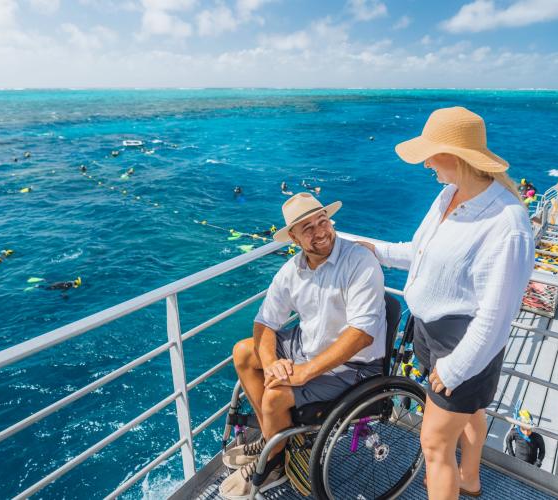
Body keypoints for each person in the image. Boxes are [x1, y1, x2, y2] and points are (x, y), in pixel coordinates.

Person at [358, 107, 533, 498]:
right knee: (470, 413)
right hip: (432, 335)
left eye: (430, 155)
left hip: (463, 347)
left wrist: (454, 369)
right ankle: (469, 478)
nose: (425, 163)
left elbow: (497, 316)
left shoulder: (507, 224)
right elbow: (421, 253)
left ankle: (455, 480)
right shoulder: (449, 194)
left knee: (435, 445)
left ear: (454, 157)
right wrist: (375, 249)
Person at [220, 193, 387, 499]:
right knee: (244, 352)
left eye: (322, 221)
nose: (320, 231)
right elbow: (265, 323)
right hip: (307, 345)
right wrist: (271, 362)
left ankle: (271, 462)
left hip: (354, 365)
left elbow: (362, 334)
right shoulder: (293, 269)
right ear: (294, 238)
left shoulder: (359, 262)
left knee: (274, 397)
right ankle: (274, 438)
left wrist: (304, 372)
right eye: (307, 228)